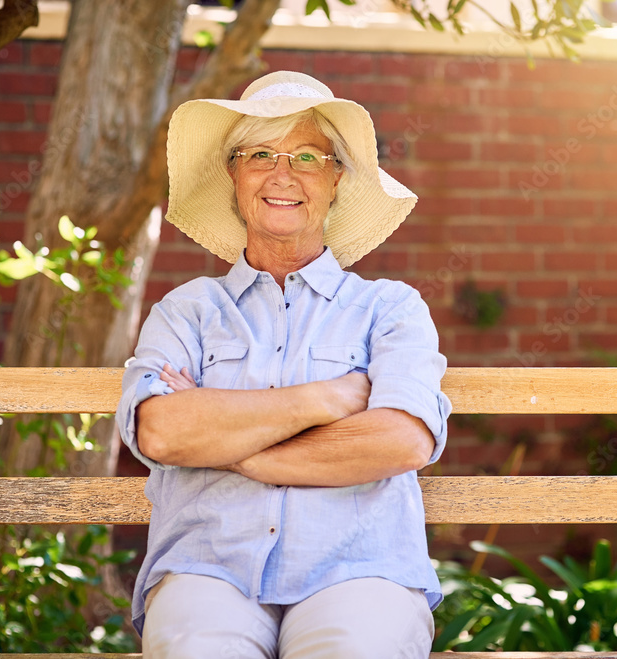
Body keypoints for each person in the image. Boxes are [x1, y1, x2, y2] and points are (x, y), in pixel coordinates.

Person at [115, 70, 452, 658]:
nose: (282, 173)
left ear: (336, 178)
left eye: (306, 155)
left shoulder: (390, 309)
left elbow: (400, 441)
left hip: (360, 569)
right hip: (207, 569)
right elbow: (162, 430)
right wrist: (325, 399)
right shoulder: (187, 312)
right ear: (234, 174)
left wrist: (231, 445)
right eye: (260, 154)